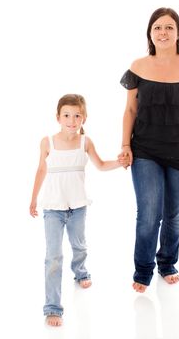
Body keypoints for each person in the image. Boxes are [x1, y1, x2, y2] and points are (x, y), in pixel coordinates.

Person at [119, 7, 179, 293]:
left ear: (178, 33)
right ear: (150, 33)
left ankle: (167, 263)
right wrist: (125, 145)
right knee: (149, 213)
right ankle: (143, 269)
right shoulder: (138, 67)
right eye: (158, 27)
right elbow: (130, 109)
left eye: (169, 27)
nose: (163, 32)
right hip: (145, 150)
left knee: (174, 215)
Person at [29, 94, 128, 326]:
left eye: (77, 116)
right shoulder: (47, 142)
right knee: (53, 256)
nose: (72, 121)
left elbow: (102, 165)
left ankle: (81, 271)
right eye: (66, 115)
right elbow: (40, 171)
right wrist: (33, 199)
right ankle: (53, 307)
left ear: (84, 118)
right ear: (58, 117)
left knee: (79, 245)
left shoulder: (86, 142)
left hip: (78, 206)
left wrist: (120, 162)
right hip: (53, 208)